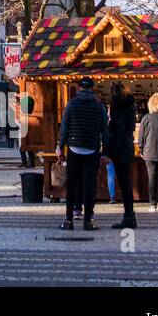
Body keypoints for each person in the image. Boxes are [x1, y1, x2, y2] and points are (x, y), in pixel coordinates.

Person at [57, 76, 108, 231]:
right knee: (89, 186)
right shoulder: (99, 107)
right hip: (92, 149)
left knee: (72, 186)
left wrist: (60, 147)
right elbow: (104, 131)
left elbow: (64, 129)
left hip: (74, 149)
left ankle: (68, 220)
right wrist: (105, 152)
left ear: (79, 88)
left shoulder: (71, 105)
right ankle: (88, 221)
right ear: (92, 88)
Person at [106, 82, 137, 229]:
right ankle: (130, 215)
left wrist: (109, 152)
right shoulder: (131, 107)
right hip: (128, 147)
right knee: (126, 184)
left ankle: (128, 216)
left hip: (121, 150)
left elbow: (117, 133)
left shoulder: (119, 108)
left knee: (124, 183)